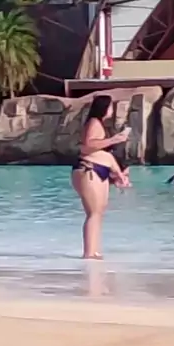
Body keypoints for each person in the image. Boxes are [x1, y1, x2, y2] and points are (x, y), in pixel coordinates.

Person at [72, 94, 131, 259]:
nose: (112, 109)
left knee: (98, 213)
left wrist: (117, 174)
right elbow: (88, 145)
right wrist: (114, 139)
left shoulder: (99, 124)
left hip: (100, 170)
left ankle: (94, 250)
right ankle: (88, 253)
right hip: (89, 169)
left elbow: (104, 154)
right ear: (104, 108)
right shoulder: (94, 122)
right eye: (111, 106)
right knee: (93, 213)